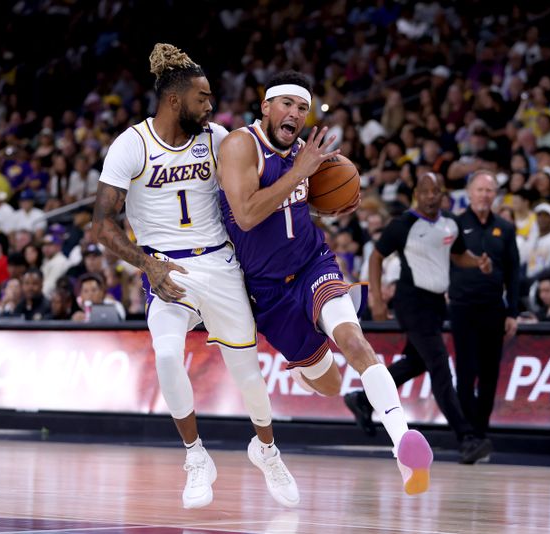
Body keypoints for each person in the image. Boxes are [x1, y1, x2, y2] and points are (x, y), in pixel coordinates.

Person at [92, 43, 298, 509]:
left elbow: (260, 174)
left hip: (221, 263)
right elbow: (101, 224)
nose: (210, 106)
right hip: (168, 268)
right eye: (203, 98)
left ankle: (266, 449)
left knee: (247, 374)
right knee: (166, 355)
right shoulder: (132, 144)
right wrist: (147, 263)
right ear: (173, 100)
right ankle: (196, 455)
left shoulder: (218, 138)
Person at [219, 71, 434, 493]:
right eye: (286, 104)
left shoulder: (307, 151)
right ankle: (303, 371)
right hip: (269, 292)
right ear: (265, 107)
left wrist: (333, 198)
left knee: (354, 341)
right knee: (331, 384)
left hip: (314, 264)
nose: (295, 114)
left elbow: (303, 201)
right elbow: (246, 214)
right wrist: (300, 172)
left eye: (302, 108)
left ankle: (403, 447)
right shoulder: (240, 145)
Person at [342, 173, 494, 464]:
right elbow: (376, 257)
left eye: (435, 191)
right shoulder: (403, 225)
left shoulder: (451, 222)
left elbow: (459, 254)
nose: (430, 197)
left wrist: (478, 262)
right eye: (425, 191)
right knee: (439, 366)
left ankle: (362, 400)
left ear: (442, 193)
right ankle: (467, 439)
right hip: (411, 301)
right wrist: (376, 298)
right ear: (416, 193)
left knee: (417, 362)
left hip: (436, 303)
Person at [447, 171, 520, 445]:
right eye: (479, 190)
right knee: (466, 372)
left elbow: (514, 273)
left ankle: (481, 431)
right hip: (462, 307)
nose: (484, 195)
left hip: (493, 309)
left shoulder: (505, 228)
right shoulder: (454, 224)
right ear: (469, 192)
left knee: (490, 373)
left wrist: (513, 312)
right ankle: (466, 435)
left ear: (496, 195)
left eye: (489, 191)